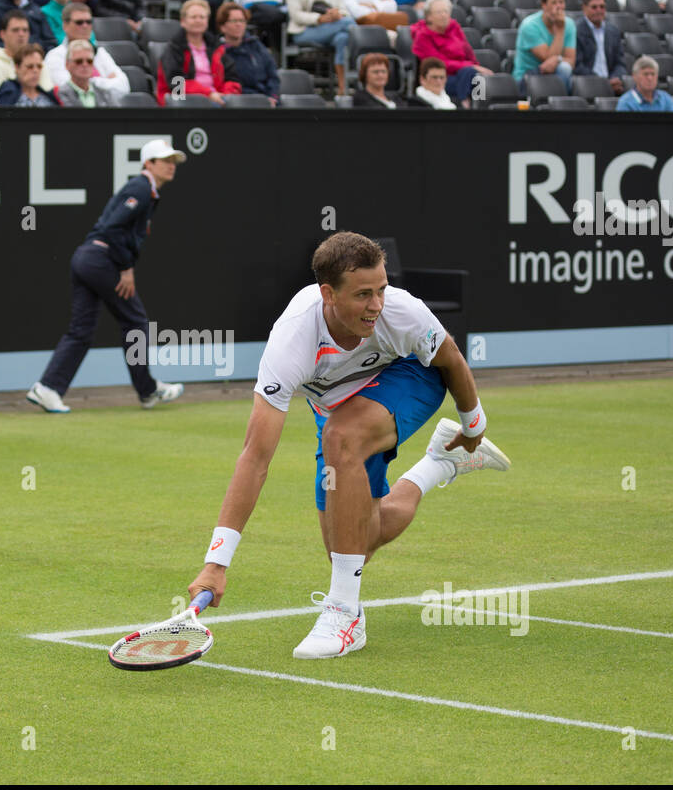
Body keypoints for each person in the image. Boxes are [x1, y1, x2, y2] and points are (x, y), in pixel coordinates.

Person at [185, 231, 510, 659]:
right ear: (328, 294)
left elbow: (449, 357)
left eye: (380, 289)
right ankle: (437, 466)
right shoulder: (291, 341)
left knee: (343, 437)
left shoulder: (402, 312)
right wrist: (216, 561)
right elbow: (256, 456)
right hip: (338, 405)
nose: (376, 305)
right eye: (362, 295)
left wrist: (474, 424)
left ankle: (345, 614)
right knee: (355, 537)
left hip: (411, 377)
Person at [27, 139, 188, 414]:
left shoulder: (146, 191)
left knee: (81, 330)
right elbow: (114, 228)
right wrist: (126, 268)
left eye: (174, 161)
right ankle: (148, 391)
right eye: (165, 161)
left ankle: (48, 388)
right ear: (149, 164)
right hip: (99, 261)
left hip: (87, 259)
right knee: (135, 321)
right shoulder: (140, 187)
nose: (171, 166)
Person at [286, 0, 354, 98]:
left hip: (333, 27)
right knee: (350, 25)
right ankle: (361, 69)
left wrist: (337, 15)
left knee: (343, 38)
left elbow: (344, 10)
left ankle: (342, 88)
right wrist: (320, 18)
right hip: (305, 30)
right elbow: (295, 14)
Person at [156, 0, 242, 104]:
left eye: (202, 17)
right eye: (193, 17)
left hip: (218, 100)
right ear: (183, 21)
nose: (198, 20)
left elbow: (232, 78)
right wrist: (207, 94)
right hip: (184, 101)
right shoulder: (174, 49)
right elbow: (176, 84)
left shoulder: (217, 48)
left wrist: (226, 95)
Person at [410, 0, 490, 104]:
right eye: (439, 12)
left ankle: (480, 107)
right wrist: (469, 66)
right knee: (469, 73)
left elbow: (468, 53)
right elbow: (437, 63)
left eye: (446, 11)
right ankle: (464, 104)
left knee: (478, 78)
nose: (443, 15)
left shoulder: (454, 28)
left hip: (464, 74)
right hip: (441, 77)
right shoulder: (422, 36)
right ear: (428, 17)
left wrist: (474, 66)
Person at [43, 1, 128, 96]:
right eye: (79, 22)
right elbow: (69, 90)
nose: (85, 26)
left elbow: (124, 86)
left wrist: (89, 82)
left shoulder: (100, 52)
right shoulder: (55, 56)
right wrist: (107, 81)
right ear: (65, 26)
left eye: (88, 22)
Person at [0, 10, 55, 104]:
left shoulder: (38, 62)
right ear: (2, 34)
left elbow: (47, 92)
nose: (21, 34)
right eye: (15, 30)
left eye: (25, 30)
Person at [514, 0, 575, 95]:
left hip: (555, 74)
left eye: (561, 2)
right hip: (529, 76)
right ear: (544, 5)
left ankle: (561, 105)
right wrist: (560, 30)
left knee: (565, 68)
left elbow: (571, 60)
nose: (558, 7)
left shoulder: (569, 24)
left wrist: (559, 59)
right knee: (564, 68)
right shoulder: (529, 25)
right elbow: (548, 60)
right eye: (554, 3)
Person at [217, 1, 279, 100]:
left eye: (242, 21)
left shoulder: (256, 45)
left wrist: (272, 96)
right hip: (237, 101)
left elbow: (272, 75)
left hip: (264, 98)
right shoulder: (217, 51)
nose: (238, 25)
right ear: (222, 27)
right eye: (234, 21)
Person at [573, 0, 627, 95]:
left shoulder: (613, 31)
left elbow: (620, 63)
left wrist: (615, 78)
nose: (599, 10)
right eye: (594, 7)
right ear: (584, 8)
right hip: (586, 84)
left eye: (602, 7)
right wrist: (602, 82)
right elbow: (577, 65)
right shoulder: (576, 30)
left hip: (612, 83)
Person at [53, 37, 119, 106]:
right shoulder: (59, 94)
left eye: (89, 61)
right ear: (67, 65)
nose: (85, 65)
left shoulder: (105, 93)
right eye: (79, 61)